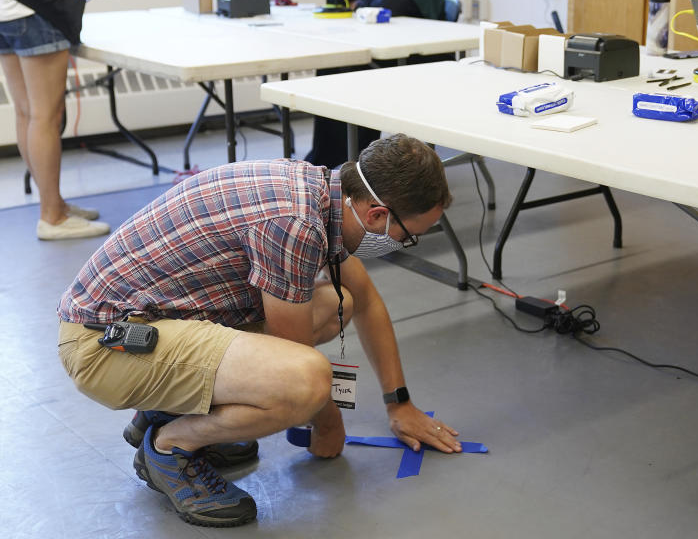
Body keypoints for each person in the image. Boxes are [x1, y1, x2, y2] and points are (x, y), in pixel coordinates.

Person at [57, 134, 462, 528]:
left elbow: (367, 301)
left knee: (337, 306)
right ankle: (170, 445)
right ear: (377, 214)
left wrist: (399, 404)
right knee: (305, 381)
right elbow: (294, 357)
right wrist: (328, 425)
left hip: (145, 322)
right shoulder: (296, 223)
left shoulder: (325, 193)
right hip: (105, 346)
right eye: (409, 236)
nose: (405, 243)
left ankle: (162, 408)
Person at [0, 0, 119, 239]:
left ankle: (54, 204)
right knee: (45, 116)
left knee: (26, 113)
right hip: (33, 5)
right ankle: (52, 217)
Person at [304, 0, 446, 168]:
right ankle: (328, 159)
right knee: (330, 68)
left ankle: (354, 163)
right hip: (380, 47)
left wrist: (362, 4)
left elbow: (395, 4)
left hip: (415, 56)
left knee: (347, 73)